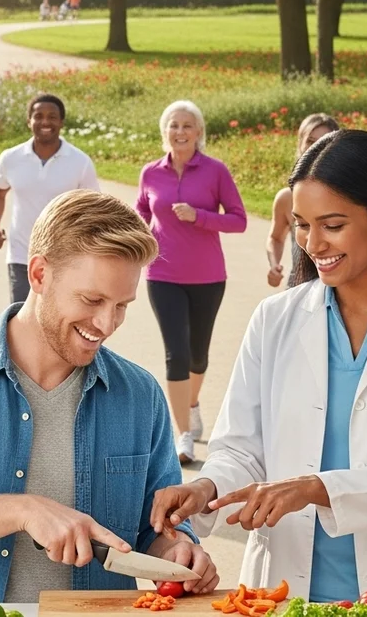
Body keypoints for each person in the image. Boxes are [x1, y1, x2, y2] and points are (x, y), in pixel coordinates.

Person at [149, 131, 367, 602]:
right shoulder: (275, 318)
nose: (312, 243)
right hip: (284, 584)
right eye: (302, 224)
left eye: (332, 224)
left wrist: (316, 488)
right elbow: (241, 448)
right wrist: (207, 486)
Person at [0, 190, 221, 603]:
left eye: (122, 305)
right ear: (38, 275)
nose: (107, 324)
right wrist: (22, 511)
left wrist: (176, 552)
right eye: (92, 300)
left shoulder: (141, 396)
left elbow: (154, 529)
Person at [136, 100, 246, 464]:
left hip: (207, 276)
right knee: (176, 354)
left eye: (187, 126)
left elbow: (238, 220)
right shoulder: (151, 172)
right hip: (162, 274)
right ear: (164, 132)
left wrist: (198, 216)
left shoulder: (215, 171)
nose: (179, 132)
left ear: (199, 132)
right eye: (173, 125)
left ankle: (192, 403)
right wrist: (140, 236)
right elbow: (141, 212)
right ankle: (182, 433)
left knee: (198, 355)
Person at [0, 94, 100, 304]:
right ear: (29, 121)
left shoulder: (80, 162)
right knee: (21, 319)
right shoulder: (11, 158)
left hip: (65, 257)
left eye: (52, 116)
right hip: (22, 256)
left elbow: (94, 209)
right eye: (38, 116)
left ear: (61, 122)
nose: (45, 122)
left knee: (59, 321)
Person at [268, 114, 339, 289]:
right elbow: (275, 237)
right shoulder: (286, 199)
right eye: (310, 141)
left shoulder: (348, 197)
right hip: (298, 289)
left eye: (324, 141)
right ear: (300, 145)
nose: (316, 148)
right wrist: (274, 264)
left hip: (340, 291)